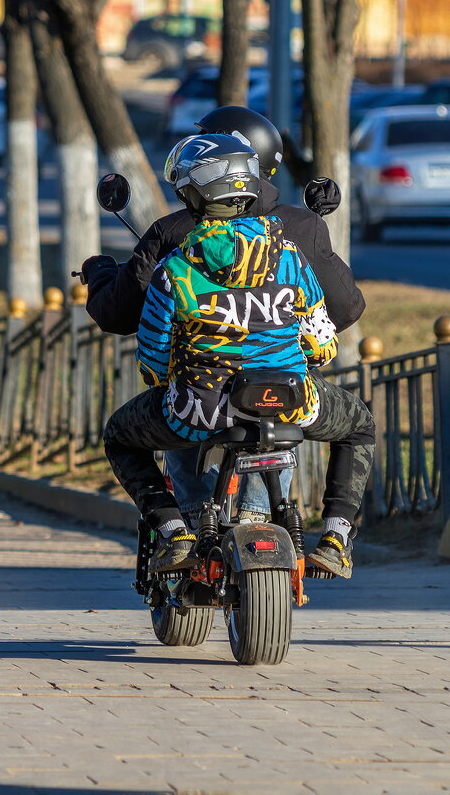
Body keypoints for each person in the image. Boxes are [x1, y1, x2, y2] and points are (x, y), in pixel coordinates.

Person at [101, 135, 375, 578]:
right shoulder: (289, 258)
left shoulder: (175, 269)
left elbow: (152, 362)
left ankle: (174, 529)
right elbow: (324, 343)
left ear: (193, 196)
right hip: (289, 402)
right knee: (359, 424)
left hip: (200, 411)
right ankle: (336, 536)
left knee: (119, 435)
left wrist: (186, 370)